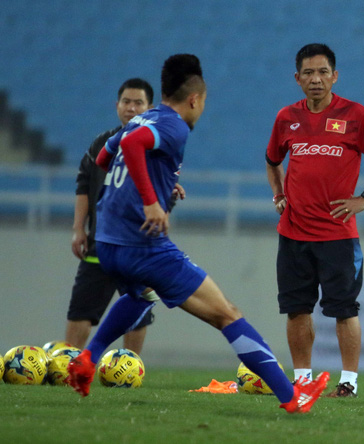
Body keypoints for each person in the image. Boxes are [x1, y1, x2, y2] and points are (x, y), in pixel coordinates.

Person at [67, 54, 329, 414]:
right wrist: (150, 202)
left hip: (109, 242)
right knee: (228, 314)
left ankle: (87, 358)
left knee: (142, 295)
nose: (202, 110)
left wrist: (161, 184)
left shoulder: (142, 118)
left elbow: (105, 159)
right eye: (203, 103)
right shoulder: (173, 126)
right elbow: (130, 148)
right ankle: (292, 397)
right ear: (195, 99)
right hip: (142, 243)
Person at [265, 43, 364, 397]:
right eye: (308, 73)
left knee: (344, 311)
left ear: (334, 76)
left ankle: (348, 382)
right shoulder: (285, 118)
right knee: (296, 310)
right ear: (297, 79)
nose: (316, 79)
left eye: (323, 72)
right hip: (293, 233)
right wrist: (279, 194)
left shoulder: (356, 116)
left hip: (338, 235)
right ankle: (303, 379)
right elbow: (272, 159)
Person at [66, 78, 157, 354]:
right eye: (126, 102)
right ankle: (66, 366)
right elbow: (84, 184)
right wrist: (78, 228)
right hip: (100, 241)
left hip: (136, 243)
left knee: (138, 308)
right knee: (81, 309)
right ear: (117, 105)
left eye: (138, 103)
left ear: (149, 107)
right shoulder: (101, 144)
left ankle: (129, 366)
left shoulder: (155, 146)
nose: (131, 108)